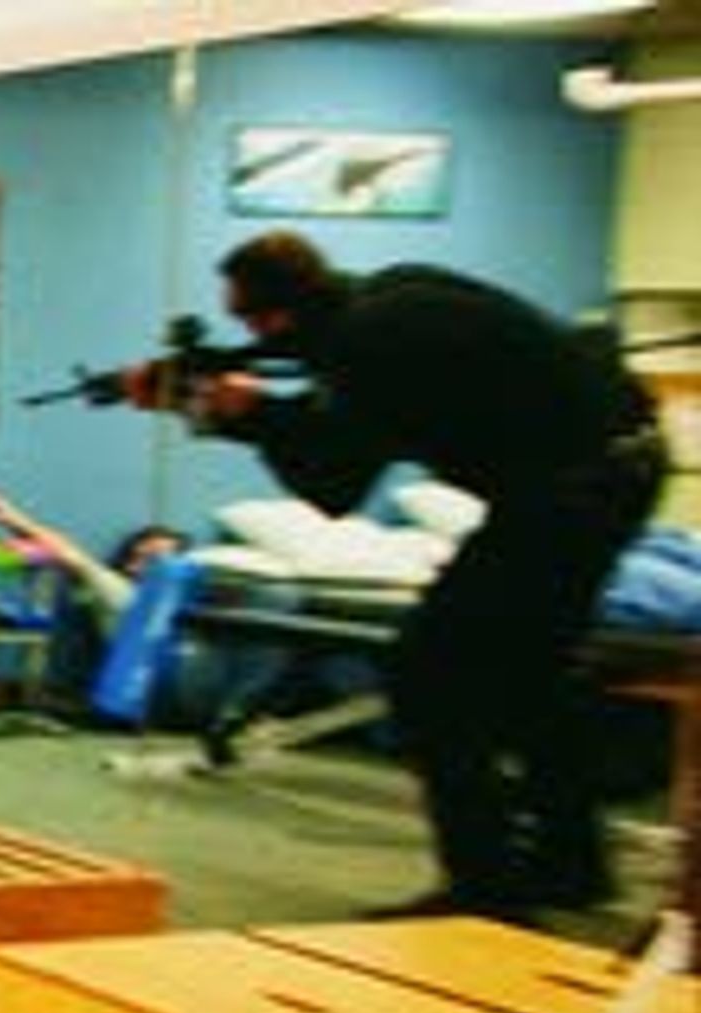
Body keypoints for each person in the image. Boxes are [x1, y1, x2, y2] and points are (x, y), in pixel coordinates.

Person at [139, 232, 663, 917]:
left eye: (250, 320)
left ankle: (486, 888)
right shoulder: (391, 297)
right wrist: (246, 407)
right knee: (533, 676)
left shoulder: (366, 345)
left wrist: (241, 413)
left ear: (276, 316)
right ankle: (570, 866)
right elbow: (351, 421)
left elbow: (332, 483)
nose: (250, 335)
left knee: (429, 674)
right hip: (618, 465)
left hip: (569, 492)